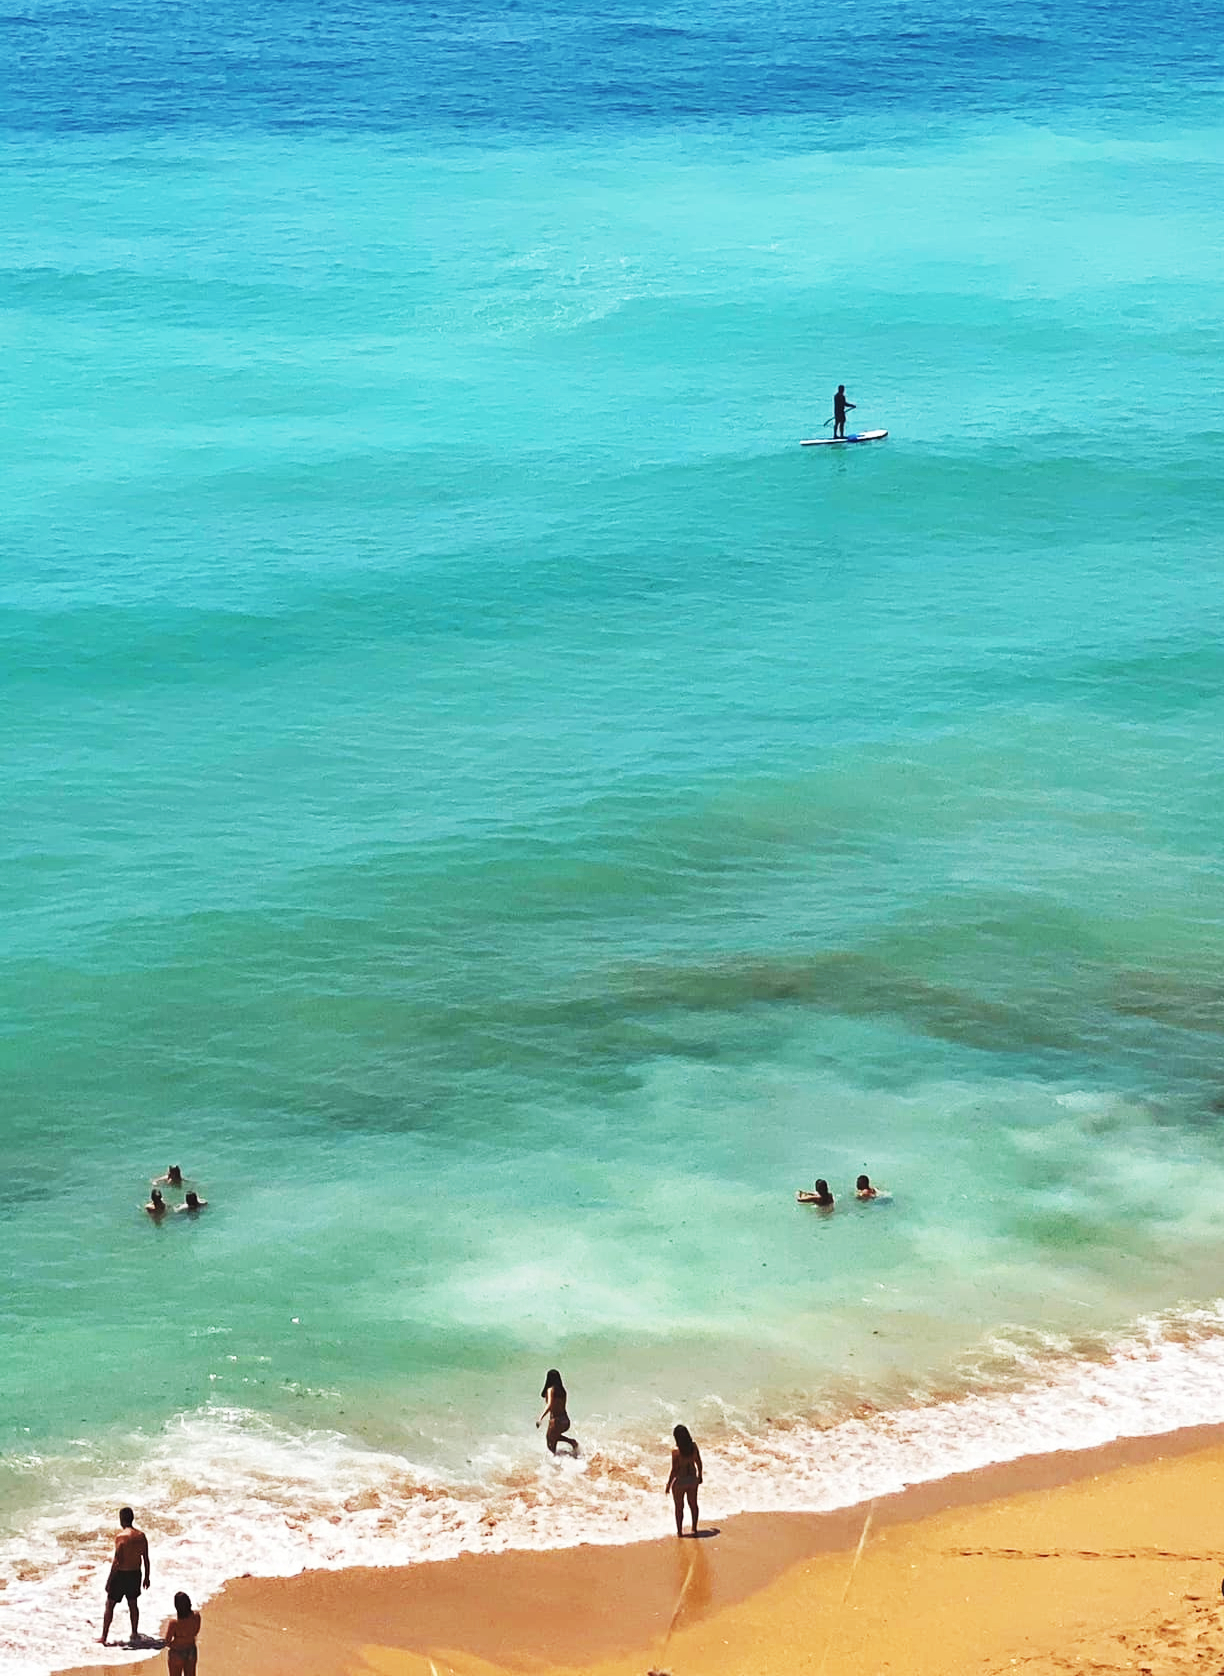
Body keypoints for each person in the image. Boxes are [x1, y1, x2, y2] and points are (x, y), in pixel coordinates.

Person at [99, 1507, 150, 1645]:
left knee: (110, 1605)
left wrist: (109, 1580)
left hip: (121, 1574)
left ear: (121, 1519)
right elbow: (146, 1558)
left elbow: (117, 1561)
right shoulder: (141, 1536)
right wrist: (147, 1577)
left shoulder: (121, 1537)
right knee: (133, 1604)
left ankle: (104, 1637)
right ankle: (134, 1633)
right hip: (135, 1574)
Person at [665, 1424, 703, 1536]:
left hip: (680, 1482)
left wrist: (668, 1485)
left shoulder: (676, 1451)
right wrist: (700, 1476)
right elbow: (699, 1462)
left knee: (679, 1507)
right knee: (693, 1504)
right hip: (692, 1480)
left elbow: (674, 1470)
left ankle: (680, 1531)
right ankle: (694, 1528)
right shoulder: (694, 1447)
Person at [536, 1368, 579, 1456]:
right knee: (554, 1438)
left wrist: (540, 1418)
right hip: (565, 1420)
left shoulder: (550, 1390)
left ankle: (556, 1464)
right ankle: (571, 1442)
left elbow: (550, 1405)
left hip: (556, 1422)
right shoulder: (563, 1391)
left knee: (550, 1444)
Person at [164, 1590, 202, 1674]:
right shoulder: (196, 1616)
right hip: (191, 1650)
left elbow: (167, 1642)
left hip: (177, 1652)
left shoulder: (174, 1623)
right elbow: (196, 1631)